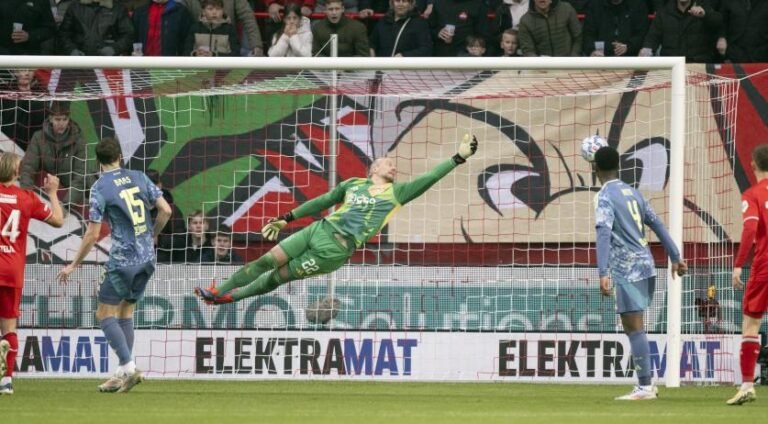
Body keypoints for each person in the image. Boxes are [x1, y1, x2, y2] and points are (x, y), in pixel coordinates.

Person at [194, 134, 478, 304]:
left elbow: (429, 178)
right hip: (319, 229)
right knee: (265, 262)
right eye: (389, 162)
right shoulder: (353, 184)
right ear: (374, 168)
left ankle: (230, 299)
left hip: (336, 249)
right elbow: (321, 201)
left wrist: (458, 157)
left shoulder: (398, 192)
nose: (394, 167)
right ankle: (217, 290)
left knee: (276, 278)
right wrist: (286, 217)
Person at [56, 137, 172, 393]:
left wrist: (74, 264)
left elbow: (92, 234)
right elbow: (165, 210)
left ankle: (130, 369)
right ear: (120, 155)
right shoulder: (140, 176)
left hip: (123, 261)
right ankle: (120, 375)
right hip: (147, 258)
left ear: (98, 161)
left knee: (104, 314)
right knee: (125, 314)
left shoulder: (99, 187)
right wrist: (152, 235)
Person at [593, 145, 687, 400]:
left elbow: (603, 232)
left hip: (628, 267)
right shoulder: (633, 193)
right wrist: (675, 256)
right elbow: (656, 223)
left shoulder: (604, 196)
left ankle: (645, 386)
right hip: (647, 264)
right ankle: (646, 384)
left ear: (595, 168)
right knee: (635, 326)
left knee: (633, 327)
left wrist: (603, 271)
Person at [0, 152, 63, 395]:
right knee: (9, 328)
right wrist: (53, 193)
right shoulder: (26, 199)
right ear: (17, 172)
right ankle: (6, 380)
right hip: (12, 271)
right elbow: (58, 220)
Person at [728, 144, 768, 405]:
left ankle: (746, 385)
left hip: (765, 266)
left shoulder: (752, 194)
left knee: (751, 324)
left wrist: (739, 263)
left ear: (753, 165)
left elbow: (750, 229)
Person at [20, 101, 96, 210]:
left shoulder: (78, 141)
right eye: (57, 119)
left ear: (69, 119)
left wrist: (65, 205)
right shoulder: (38, 137)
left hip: (78, 194)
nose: (61, 123)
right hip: (52, 192)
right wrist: (26, 196)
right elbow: (28, 167)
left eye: (65, 119)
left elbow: (80, 177)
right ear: (50, 119)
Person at [639, 0, 722, 63]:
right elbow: (652, 38)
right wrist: (646, 51)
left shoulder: (703, 8)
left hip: (698, 63)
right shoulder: (663, 12)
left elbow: (719, 24)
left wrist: (705, 15)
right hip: (671, 64)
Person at [181, 0, 264, 56]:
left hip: (225, 66)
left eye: (217, 9)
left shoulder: (230, 29)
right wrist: (194, 54)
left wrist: (256, 45)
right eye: (210, 9)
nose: (214, 12)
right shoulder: (194, 28)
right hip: (198, 67)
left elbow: (248, 17)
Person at [58, 0, 134, 56]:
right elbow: (63, 34)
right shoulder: (74, 7)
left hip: (109, 63)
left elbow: (128, 35)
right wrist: (71, 50)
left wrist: (114, 49)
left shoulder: (118, 9)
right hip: (79, 62)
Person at [518, 0, 582, 57]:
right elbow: (528, 50)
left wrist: (573, 57)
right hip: (542, 67)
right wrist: (539, 65)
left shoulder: (567, 9)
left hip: (569, 63)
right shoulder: (525, 21)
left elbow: (578, 36)